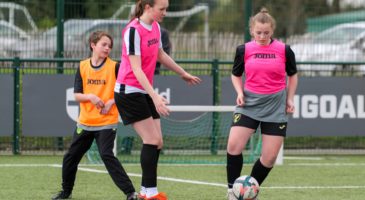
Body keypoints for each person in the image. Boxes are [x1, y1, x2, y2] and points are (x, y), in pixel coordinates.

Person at [114, 0, 201, 199]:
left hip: (142, 91)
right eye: (162, 9)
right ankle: (150, 193)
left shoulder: (155, 27)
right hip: (128, 91)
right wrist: (155, 96)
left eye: (166, 8)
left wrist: (182, 73)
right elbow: (136, 69)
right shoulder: (133, 31)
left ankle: (146, 191)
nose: (165, 12)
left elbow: (161, 55)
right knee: (151, 139)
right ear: (147, 7)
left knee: (158, 142)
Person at [52, 31, 138, 200]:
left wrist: (112, 102)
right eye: (104, 44)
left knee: (106, 154)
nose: (107, 48)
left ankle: (130, 192)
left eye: (109, 46)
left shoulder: (115, 67)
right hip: (85, 122)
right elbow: (77, 95)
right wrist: (90, 97)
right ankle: (66, 192)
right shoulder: (83, 66)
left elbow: (127, 89)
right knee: (71, 157)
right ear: (93, 44)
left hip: (106, 122)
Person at [226, 8, 298, 200]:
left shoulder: (284, 50)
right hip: (249, 103)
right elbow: (235, 74)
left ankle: (249, 191)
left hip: (275, 106)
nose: (262, 36)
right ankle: (232, 192)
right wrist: (240, 92)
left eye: (266, 33)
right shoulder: (244, 50)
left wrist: (290, 98)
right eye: (259, 32)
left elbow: (293, 75)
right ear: (252, 31)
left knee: (269, 157)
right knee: (233, 146)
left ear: (272, 30)